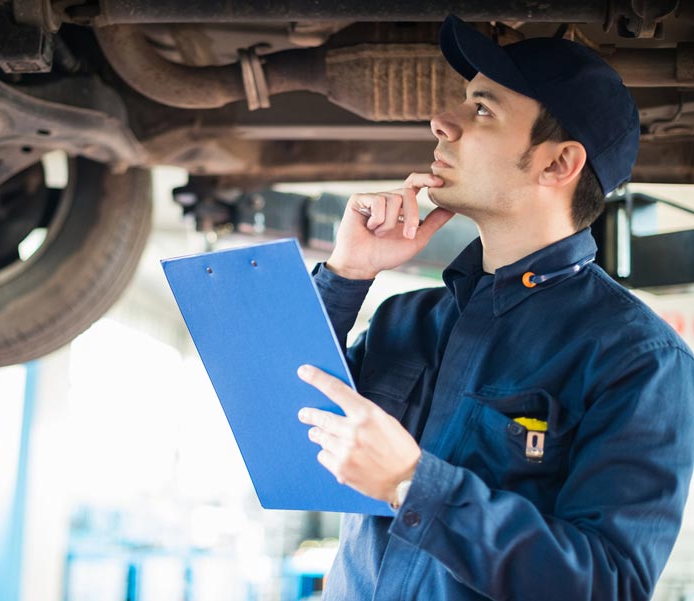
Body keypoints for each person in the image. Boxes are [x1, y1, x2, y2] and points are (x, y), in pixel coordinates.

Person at [295, 14, 694, 600]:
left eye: (482, 109)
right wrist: (347, 275)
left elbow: (609, 585)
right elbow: (283, 443)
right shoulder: (404, 320)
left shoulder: (640, 359)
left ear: (558, 163)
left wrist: (413, 485)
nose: (442, 121)